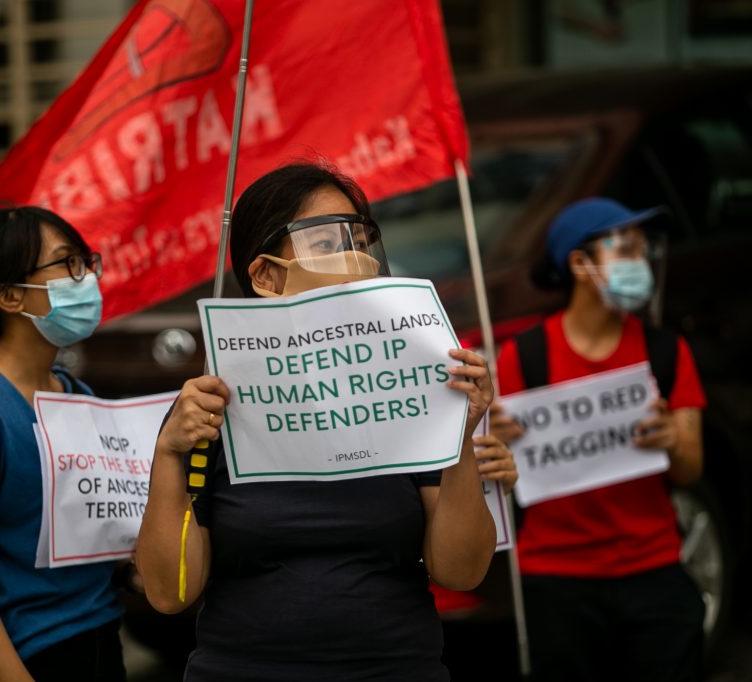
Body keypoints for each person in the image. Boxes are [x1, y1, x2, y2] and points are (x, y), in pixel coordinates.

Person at [136, 162, 502, 681]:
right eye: (326, 242)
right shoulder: (207, 411)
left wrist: (459, 438)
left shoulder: (411, 389)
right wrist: (169, 456)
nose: (353, 255)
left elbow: (461, 571)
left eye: (359, 237)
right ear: (265, 276)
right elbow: (169, 594)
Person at [489, 197, 707, 682]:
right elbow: (500, 482)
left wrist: (674, 438)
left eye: (643, 250)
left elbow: (691, 470)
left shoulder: (665, 350)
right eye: (625, 250)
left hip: (653, 570)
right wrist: (497, 444)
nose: (640, 263)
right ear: (580, 264)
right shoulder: (523, 357)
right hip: (556, 582)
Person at [0, 206, 136, 682]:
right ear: (7, 296)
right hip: (24, 660)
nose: (85, 277)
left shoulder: (74, 394)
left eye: (85, 262)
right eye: (66, 263)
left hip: (101, 643)